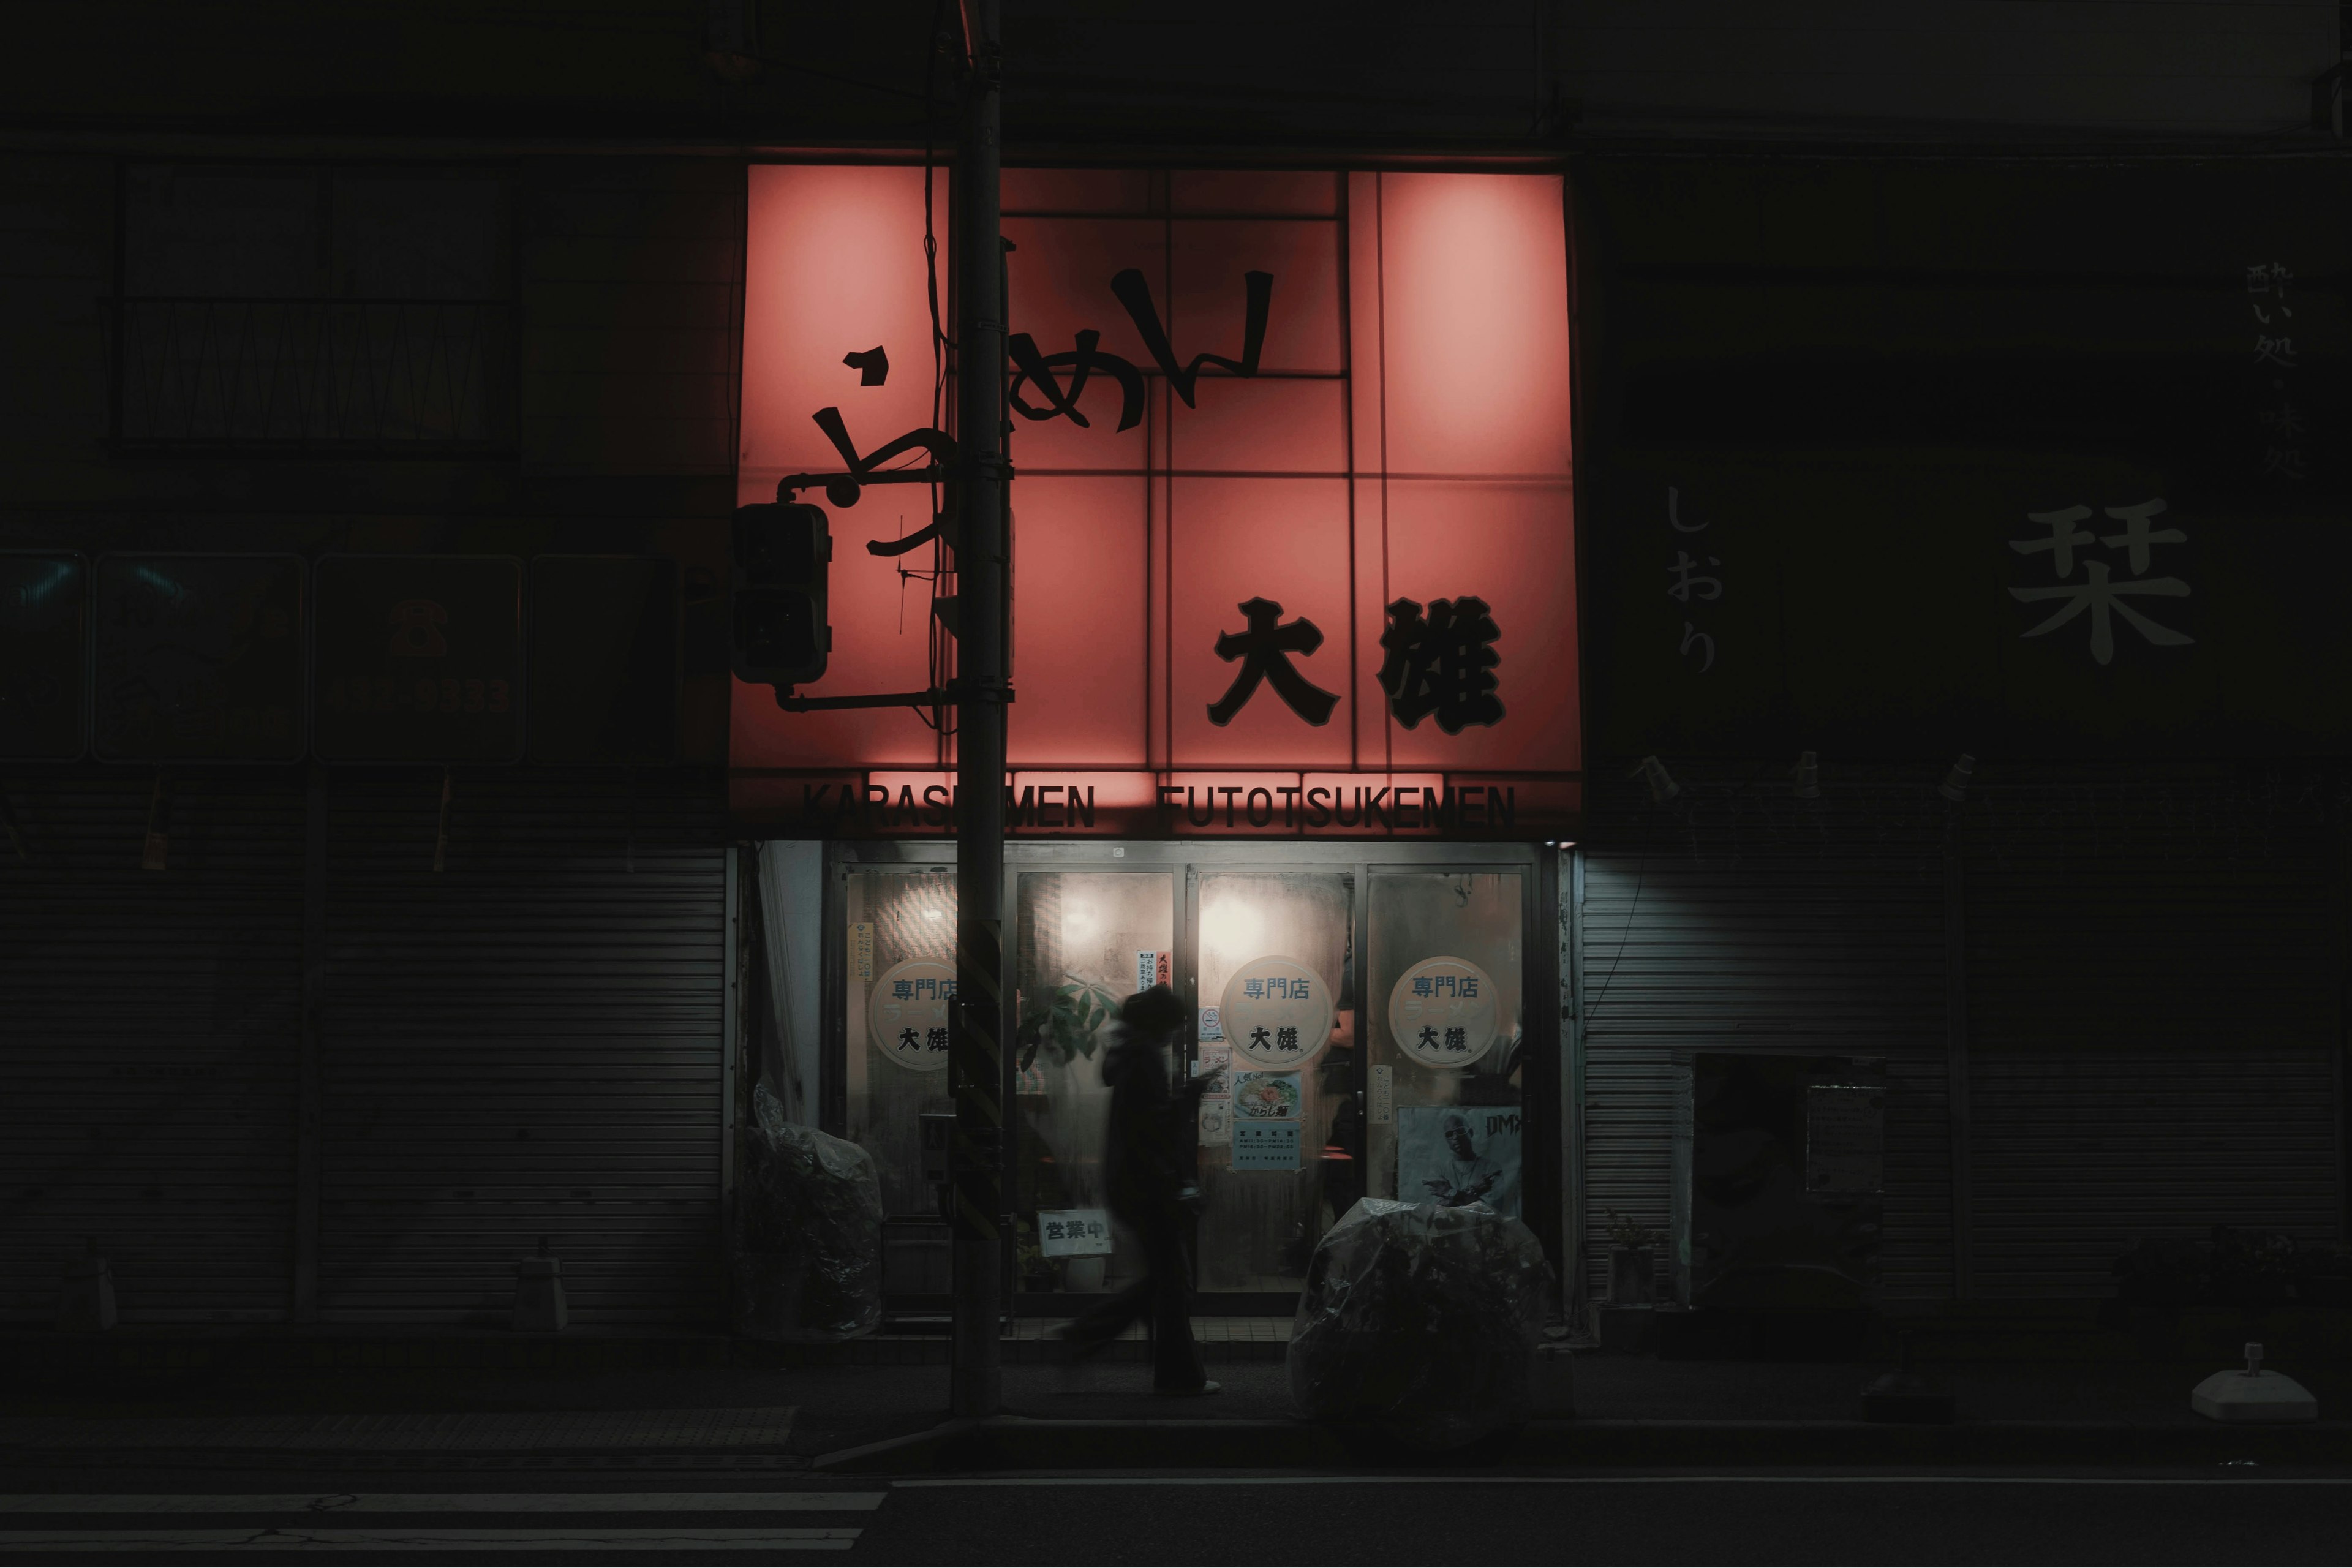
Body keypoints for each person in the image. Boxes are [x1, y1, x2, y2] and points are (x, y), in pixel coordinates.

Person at [1058, 983, 1219, 1395]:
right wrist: (1192, 1095)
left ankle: (1175, 1375)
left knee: (1167, 1282)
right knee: (1169, 1283)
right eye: (1176, 1024)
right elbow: (1157, 1126)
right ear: (1159, 1024)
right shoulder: (1145, 1058)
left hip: (1131, 1182)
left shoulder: (1128, 1054)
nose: (1177, 1033)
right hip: (1149, 1184)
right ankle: (1092, 1336)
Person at [1422, 1110, 1501, 1207]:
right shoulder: (1439, 1171)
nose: (1455, 1137)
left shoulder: (1491, 1168)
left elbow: (1489, 1209)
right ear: (1446, 1139)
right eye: (1450, 1134)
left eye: (1460, 1131)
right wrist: (1473, 1190)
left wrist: (1450, 1193)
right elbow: (1439, 1209)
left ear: (1470, 1133)